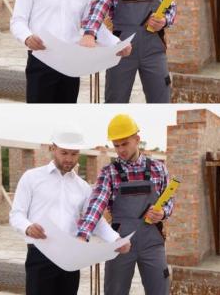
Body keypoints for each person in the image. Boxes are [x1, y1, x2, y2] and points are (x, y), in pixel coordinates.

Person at [10, 125, 130, 295]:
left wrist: (116, 239)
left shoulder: (82, 187)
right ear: (53, 149)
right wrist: (28, 227)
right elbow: (16, 215)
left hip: (71, 257)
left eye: (74, 154)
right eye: (64, 153)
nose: (69, 159)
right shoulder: (31, 177)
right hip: (40, 255)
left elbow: (94, 220)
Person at [11, 0, 131, 103]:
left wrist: (116, 44)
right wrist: (27, 37)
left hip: (71, 66)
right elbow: (18, 20)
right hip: (41, 61)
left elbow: (95, 28)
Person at [76, 114, 174, 295]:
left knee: (160, 289)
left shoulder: (158, 168)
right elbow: (96, 204)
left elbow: (168, 201)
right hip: (120, 242)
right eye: (116, 145)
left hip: (152, 242)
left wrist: (163, 213)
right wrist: (83, 234)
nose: (120, 150)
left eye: (125, 143)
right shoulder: (109, 173)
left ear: (137, 139)